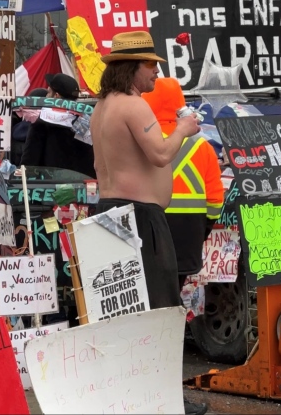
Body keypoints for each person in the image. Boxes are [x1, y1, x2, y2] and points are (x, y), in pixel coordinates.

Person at [90, 32, 205, 415]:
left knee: (121, 313)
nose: (156, 72)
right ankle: (166, 399)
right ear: (132, 67)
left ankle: (127, 397)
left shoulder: (101, 107)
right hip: (139, 218)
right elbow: (158, 154)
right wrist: (184, 130)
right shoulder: (133, 105)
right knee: (160, 309)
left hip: (108, 213)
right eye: (150, 64)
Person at [142, 78, 224, 290]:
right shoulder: (202, 146)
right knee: (173, 295)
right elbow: (215, 200)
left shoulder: (143, 140)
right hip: (188, 234)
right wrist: (201, 231)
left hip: (148, 232)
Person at [21, 74, 96, 178]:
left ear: (56, 96)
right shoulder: (87, 122)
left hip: (50, 188)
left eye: (48, 93)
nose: (46, 96)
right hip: (84, 187)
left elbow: (29, 163)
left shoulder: (42, 122)